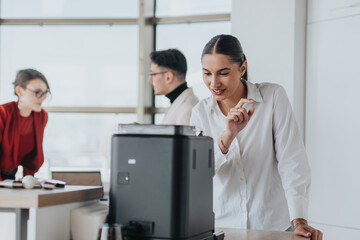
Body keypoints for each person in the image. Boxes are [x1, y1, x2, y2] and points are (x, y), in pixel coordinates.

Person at [190, 35, 323, 240]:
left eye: (223, 73)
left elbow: (292, 161)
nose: (214, 82)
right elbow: (198, 173)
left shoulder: (273, 97)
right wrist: (228, 136)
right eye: (207, 73)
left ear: (242, 68)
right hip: (225, 228)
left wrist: (299, 220)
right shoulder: (200, 113)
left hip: (273, 226)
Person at [0, 69, 50, 181]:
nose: (42, 98)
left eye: (45, 93)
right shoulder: (3, 113)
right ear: (19, 91)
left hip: (10, 176)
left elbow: (33, 157)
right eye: (37, 92)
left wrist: (29, 180)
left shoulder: (41, 116)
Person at [149, 49, 198, 125]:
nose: (150, 81)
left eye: (153, 74)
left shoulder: (187, 109)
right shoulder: (179, 102)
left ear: (168, 77)